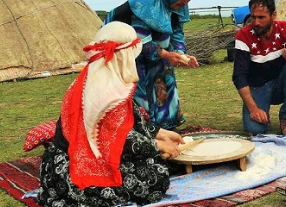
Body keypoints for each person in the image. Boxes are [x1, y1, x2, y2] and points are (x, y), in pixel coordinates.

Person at [38, 22, 185, 207]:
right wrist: (157, 146)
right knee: (156, 176)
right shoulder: (103, 90)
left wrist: (160, 133)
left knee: (156, 160)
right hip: (73, 169)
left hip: (80, 156)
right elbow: (118, 139)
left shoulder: (100, 75)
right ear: (124, 56)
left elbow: (129, 120)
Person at [105, 0, 199, 129]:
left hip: (160, 58)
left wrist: (181, 55)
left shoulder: (177, 7)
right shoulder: (143, 8)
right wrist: (166, 54)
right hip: (132, 59)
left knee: (164, 87)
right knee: (142, 94)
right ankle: (147, 130)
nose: (185, 2)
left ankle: (167, 127)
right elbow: (140, 43)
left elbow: (177, 33)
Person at [232, 0, 286, 136]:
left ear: (273, 15)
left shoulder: (284, 29)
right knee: (255, 129)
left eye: (261, 17)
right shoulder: (243, 35)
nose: (256, 23)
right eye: (253, 17)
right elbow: (239, 76)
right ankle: (259, 108)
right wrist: (253, 109)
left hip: (280, 84)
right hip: (258, 85)